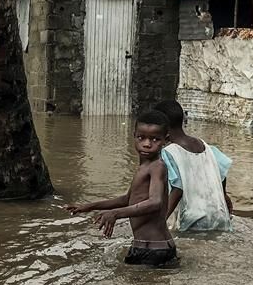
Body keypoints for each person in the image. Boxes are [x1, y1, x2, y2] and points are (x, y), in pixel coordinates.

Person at [65, 110, 177, 266]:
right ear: (134, 136)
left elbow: (155, 202)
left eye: (154, 139)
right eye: (141, 137)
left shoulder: (157, 166)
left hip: (152, 250)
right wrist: (88, 206)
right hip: (154, 247)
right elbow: (127, 199)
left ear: (166, 140)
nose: (146, 144)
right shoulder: (145, 166)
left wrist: (116, 214)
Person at [153, 100, 233, 232]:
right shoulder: (207, 147)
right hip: (220, 216)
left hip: (191, 222)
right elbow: (222, 172)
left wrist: (159, 223)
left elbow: (177, 190)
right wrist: (224, 195)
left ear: (162, 129)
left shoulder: (168, 153)